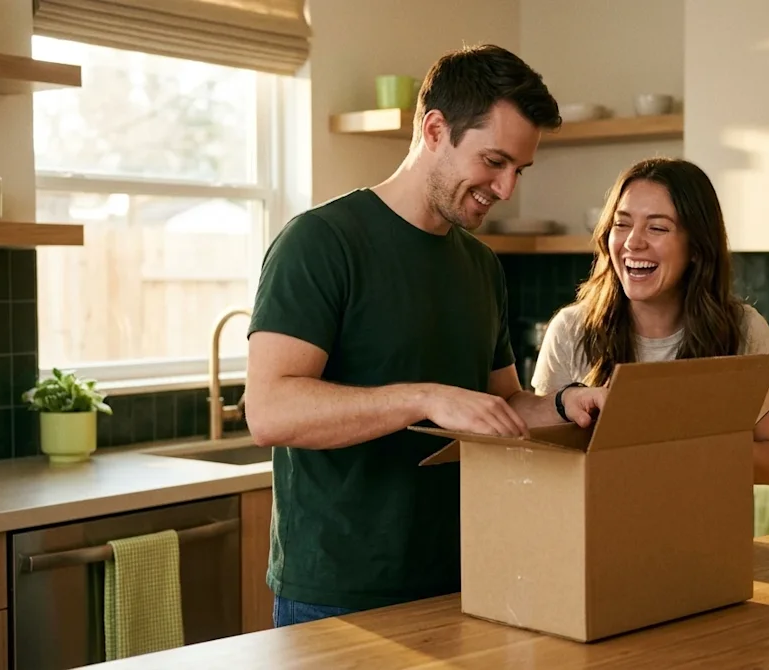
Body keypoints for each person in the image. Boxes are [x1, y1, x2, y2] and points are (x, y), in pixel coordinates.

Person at [242, 44, 608, 628]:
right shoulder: (320, 243)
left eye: (519, 169)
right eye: (494, 161)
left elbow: (501, 405)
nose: (507, 188)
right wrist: (425, 397)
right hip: (339, 591)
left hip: (462, 579)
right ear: (435, 129)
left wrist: (567, 405)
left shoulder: (481, 265)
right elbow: (269, 410)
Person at [531, 157, 769, 486]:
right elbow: (541, 461)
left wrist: (681, 446)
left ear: (697, 247)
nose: (632, 242)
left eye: (657, 227)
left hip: (701, 530)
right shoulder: (571, 330)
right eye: (621, 223)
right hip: (597, 530)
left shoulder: (743, 328)